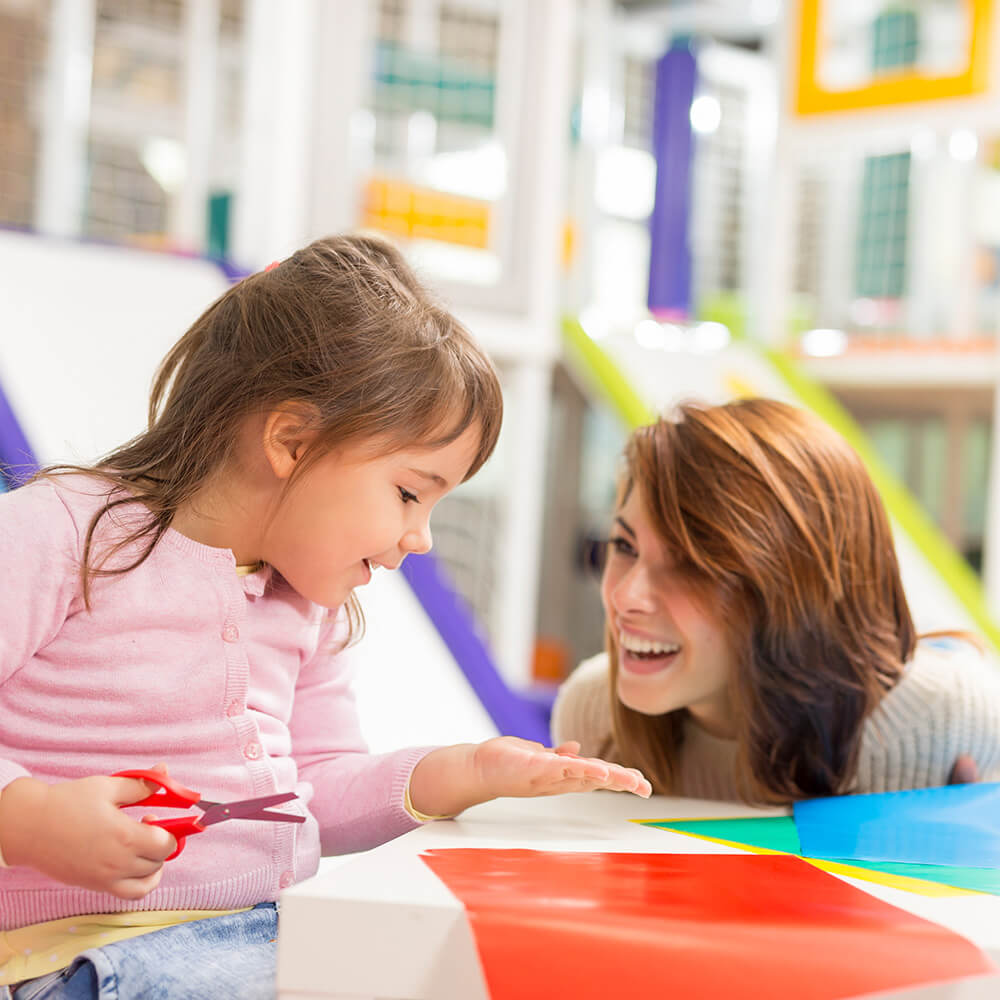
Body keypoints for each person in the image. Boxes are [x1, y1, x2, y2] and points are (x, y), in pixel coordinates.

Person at [0, 234, 650, 1000]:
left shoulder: (307, 605)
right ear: (291, 441)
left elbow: (313, 791)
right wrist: (26, 815)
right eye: (410, 493)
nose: (422, 537)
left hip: (271, 936)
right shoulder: (62, 534)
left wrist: (465, 773)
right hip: (90, 959)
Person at [552, 397, 1000, 805]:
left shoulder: (947, 723)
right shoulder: (595, 717)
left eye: (690, 563)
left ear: (797, 589)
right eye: (624, 546)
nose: (624, 596)